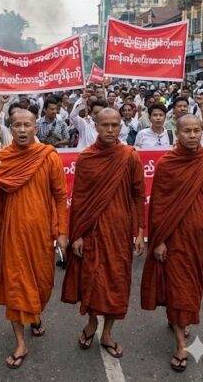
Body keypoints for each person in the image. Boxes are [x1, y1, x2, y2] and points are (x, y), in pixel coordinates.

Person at [0, 109, 69, 370]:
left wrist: (62, 232)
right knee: (16, 284)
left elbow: (60, 196)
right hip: (12, 233)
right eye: (17, 125)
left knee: (42, 284)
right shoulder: (3, 158)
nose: (23, 130)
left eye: (27, 125)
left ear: (35, 128)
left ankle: (35, 315)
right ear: (11, 129)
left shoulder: (48, 156)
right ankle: (19, 342)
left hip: (40, 234)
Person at [60, 108, 146, 359]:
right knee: (92, 279)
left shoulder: (130, 156)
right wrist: (77, 234)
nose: (110, 130)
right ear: (95, 126)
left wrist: (140, 231)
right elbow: (80, 199)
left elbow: (138, 194)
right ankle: (91, 323)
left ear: (121, 127)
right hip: (93, 231)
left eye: (115, 125)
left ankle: (107, 331)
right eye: (105, 125)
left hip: (120, 231)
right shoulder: (87, 157)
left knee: (117, 282)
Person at [140, 114, 203, 373]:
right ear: (178, 133)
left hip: (200, 239)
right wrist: (159, 240)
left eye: (197, 131)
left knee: (193, 284)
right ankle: (181, 345)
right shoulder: (167, 164)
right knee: (178, 286)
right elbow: (159, 203)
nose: (193, 135)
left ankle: (179, 317)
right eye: (187, 131)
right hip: (174, 238)